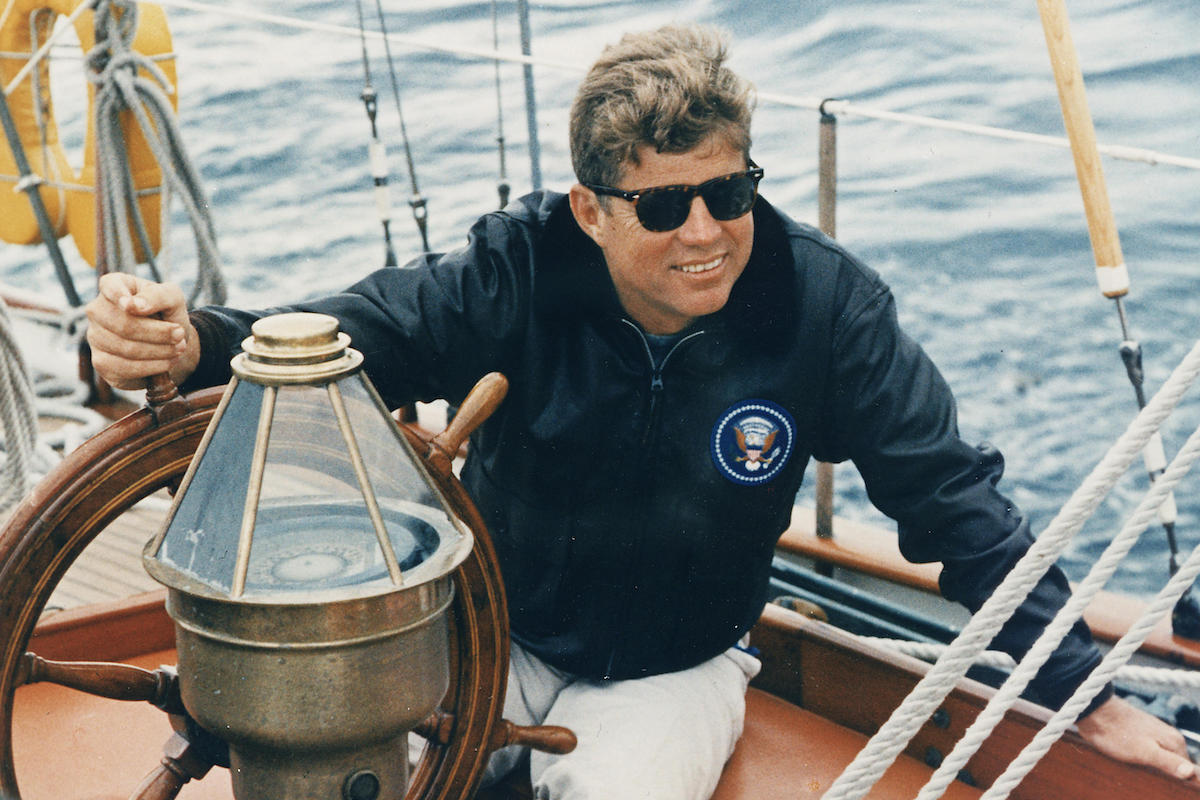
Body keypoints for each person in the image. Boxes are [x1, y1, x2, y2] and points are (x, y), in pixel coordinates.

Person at [86, 24, 1196, 799]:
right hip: (491, 636)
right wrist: (193, 343)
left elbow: (951, 498)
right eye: (665, 204)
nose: (707, 229)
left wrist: (1073, 696)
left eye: (733, 191)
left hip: (676, 667)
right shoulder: (520, 266)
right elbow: (359, 330)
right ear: (592, 207)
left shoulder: (826, 308)